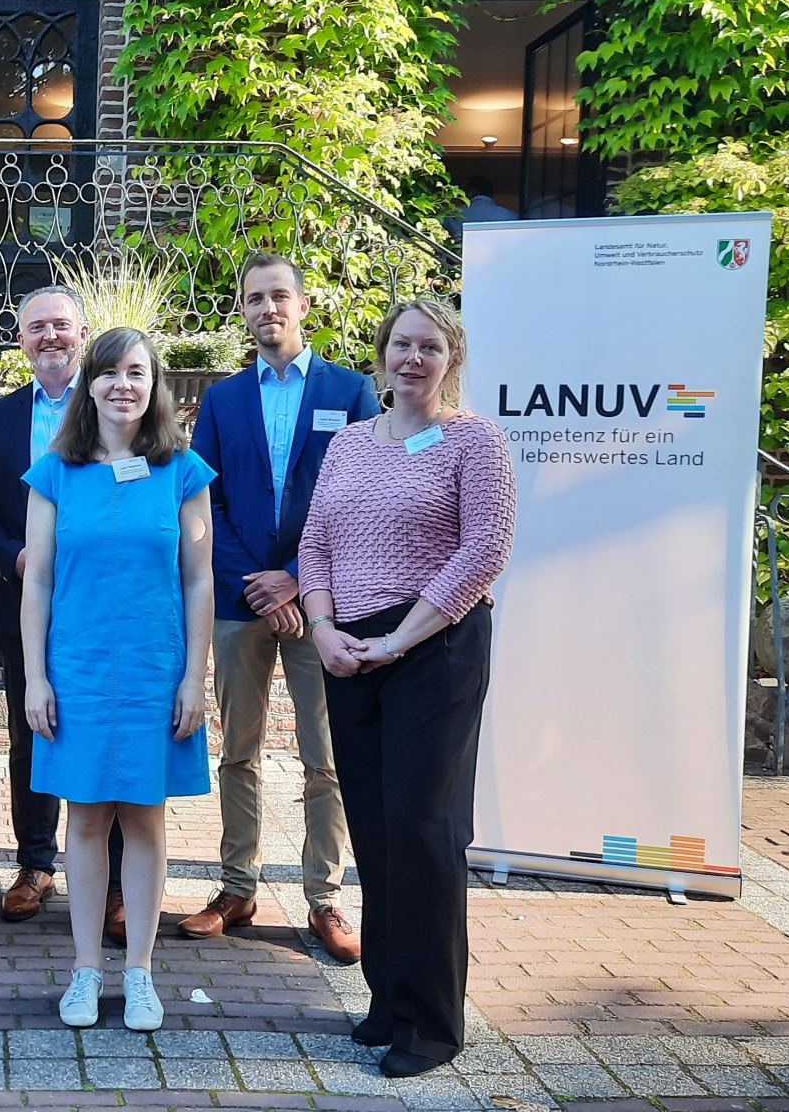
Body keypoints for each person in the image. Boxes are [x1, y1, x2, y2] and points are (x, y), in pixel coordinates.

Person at [299, 298, 515, 1077]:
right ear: (381, 354)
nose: (412, 359)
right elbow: (315, 540)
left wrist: (399, 637)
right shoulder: (351, 442)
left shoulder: (475, 441)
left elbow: (484, 548)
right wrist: (323, 630)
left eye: (429, 347)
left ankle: (429, 1024)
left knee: (425, 831)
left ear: (449, 358)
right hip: (351, 652)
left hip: (434, 650)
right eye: (401, 344)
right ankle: (387, 1000)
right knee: (378, 828)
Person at [182, 252, 376, 962]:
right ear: (242, 310)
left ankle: (324, 897)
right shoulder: (223, 398)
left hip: (322, 600)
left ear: (302, 305)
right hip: (240, 600)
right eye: (254, 298)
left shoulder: (351, 392)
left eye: (278, 296)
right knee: (238, 748)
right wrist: (258, 582)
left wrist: (295, 577)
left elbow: (358, 498)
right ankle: (238, 886)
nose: (267, 308)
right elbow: (207, 499)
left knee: (326, 757)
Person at [22, 327, 216, 1034]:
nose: (122, 386)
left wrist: (194, 675)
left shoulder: (181, 469)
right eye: (108, 373)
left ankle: (138, 971)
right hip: (77, 669)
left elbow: (199, 580)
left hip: (152, 669)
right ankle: (83, 971)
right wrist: (35, 678)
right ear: (89, 384)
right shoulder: (54, 472)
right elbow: (35, 580)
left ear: (154, 382)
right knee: (85, 820)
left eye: (136, 372)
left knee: (143, 818)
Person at [0, 286, 125, 942]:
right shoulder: (1, 418)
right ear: (20, 340)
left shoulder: (114, 407)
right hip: (23, 603)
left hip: (104, 607)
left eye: (61, 325)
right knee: (30, 733)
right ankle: (35, 864)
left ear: (82, 332)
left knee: (106, 735)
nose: (50, 337)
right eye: (37, 328)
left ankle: (116, 881)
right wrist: (15, 558)